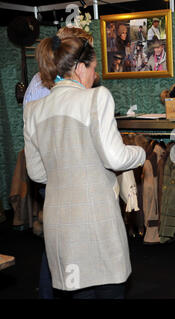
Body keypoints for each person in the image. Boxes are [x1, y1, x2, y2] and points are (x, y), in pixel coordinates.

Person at [24, 34, 146, 299]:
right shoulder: (96, 99)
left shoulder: (33, 110)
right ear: (80, 68)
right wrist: (140, 153)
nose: (95, 74)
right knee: (110, 292)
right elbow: (114, 158)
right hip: (96, 222)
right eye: (92, 68)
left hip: (60, 226)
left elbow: (36, 173)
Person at [24, 26, 95, 300]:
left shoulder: (38, 82)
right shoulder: (56, 87)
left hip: (49, 173)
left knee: (55, 243)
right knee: (71, 245)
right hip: (63, 175)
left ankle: (48, 292)